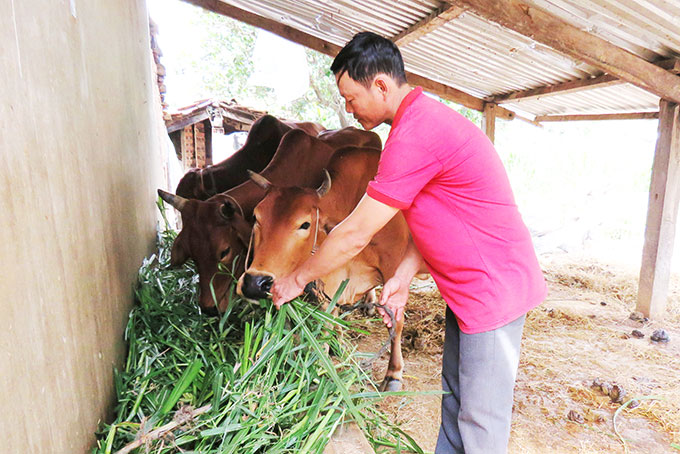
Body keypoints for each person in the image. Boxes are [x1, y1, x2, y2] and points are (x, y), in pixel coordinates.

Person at [271, 31, 547, 454]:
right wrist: (402, 274)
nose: (347, 108)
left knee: (481, 422)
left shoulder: (417, 133)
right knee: (454, 404)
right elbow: (438, 215)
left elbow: (355, 232)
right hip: (468, 291)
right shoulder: (418, 123)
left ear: (380, 85)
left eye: (350, 97)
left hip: (493, 291)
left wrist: (296, 279)